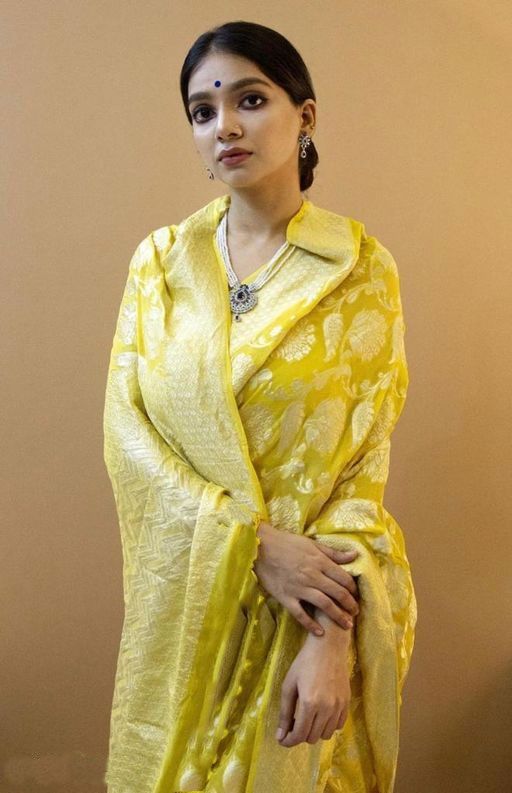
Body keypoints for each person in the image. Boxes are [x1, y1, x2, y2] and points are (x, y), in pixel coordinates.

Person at [102, 19, 417, 793]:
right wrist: (248, 544)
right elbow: (128, 437)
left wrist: (331, 638)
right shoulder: (160, 267)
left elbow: (360, 467)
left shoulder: (359, 270)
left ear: (304, 116)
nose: (225, 126)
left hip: (304, 615)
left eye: (249, 99)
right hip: (191, 616)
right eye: (202, 111)